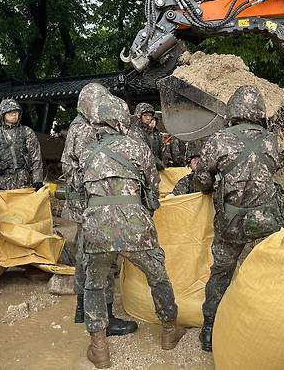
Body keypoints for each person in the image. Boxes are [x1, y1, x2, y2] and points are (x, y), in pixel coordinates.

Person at [80, 90, 185, 368]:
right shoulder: (138, 147)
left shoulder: (86, 152)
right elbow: (153, 187)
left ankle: (99, 347)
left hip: (97, 229)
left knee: (95, 284)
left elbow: (78, 199)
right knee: (158, 276)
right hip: (135, 225)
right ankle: (168, 330)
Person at [195, 85, 282, 352]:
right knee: (267, 271)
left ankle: (209, 330)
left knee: (221, 272)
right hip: (266, 221)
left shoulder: (218, 140)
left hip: (230, 223)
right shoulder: (271, 140)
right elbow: (271, 169)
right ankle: (265, 326)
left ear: (232, 109)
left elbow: (202, 180)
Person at [60, 84, 136, 337]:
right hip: (95, 202)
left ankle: (82, 308)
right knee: (104, 258)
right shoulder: (90, 129)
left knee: (84, 253)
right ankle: (106, 315)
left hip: (80, 202)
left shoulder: (76, 126)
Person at [0, 99, 43, 194]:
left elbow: (36, 157)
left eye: (16, 112)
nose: (14, 114)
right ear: (3, 114)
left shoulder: (27, 132)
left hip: (24, 183)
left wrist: (37, 180)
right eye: (10, 112)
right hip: (2, 185)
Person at [127, 103, 165, 170]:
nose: (148, 118)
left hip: (151, 168)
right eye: (145, 115)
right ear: (139, 116)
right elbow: (141, 152)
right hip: (139, 169)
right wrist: (156, 162)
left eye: (150, 115)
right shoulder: (134, 132)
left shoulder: (150, 131)